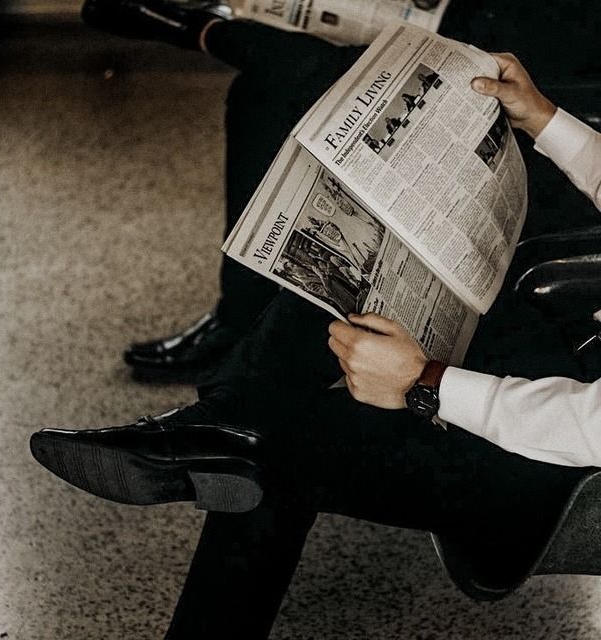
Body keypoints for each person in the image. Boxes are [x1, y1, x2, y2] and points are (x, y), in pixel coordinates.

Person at [30, 13, 601, 637]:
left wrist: (425, 382)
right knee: (354, 272)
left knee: (276, 450)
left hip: (569, 466)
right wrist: (546, 119)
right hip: (576, 361)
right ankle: (218, 419)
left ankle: (220, 428)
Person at [81, 0, 601, 385]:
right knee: (268, 88)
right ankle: (239, 331)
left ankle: (208, 29)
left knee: (282, 79)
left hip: (548, 80)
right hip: (472, 33)